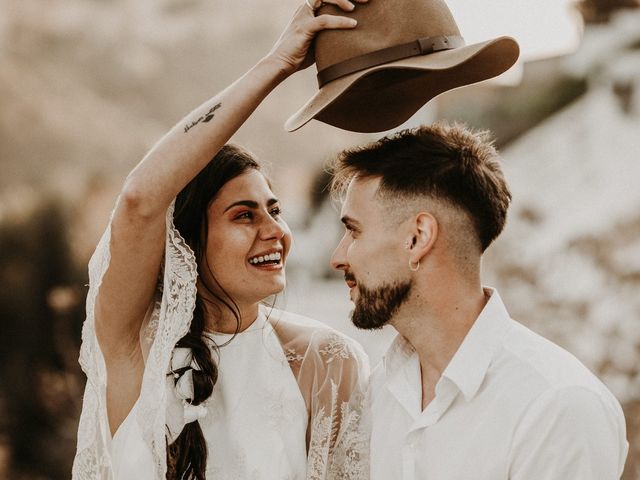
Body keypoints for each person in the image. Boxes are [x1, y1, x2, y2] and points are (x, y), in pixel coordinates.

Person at [72, 2, 370, 479]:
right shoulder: (134, 344)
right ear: (188, 241)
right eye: (244, 215)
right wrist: (278, 65)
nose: (273, 230)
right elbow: (140, 200)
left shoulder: (326, 361)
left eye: (274, 210)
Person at [329, 122, 629, 479]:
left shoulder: (558, 404)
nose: (338, 256)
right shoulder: (378, 394)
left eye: (354, 231)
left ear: (417, 238)